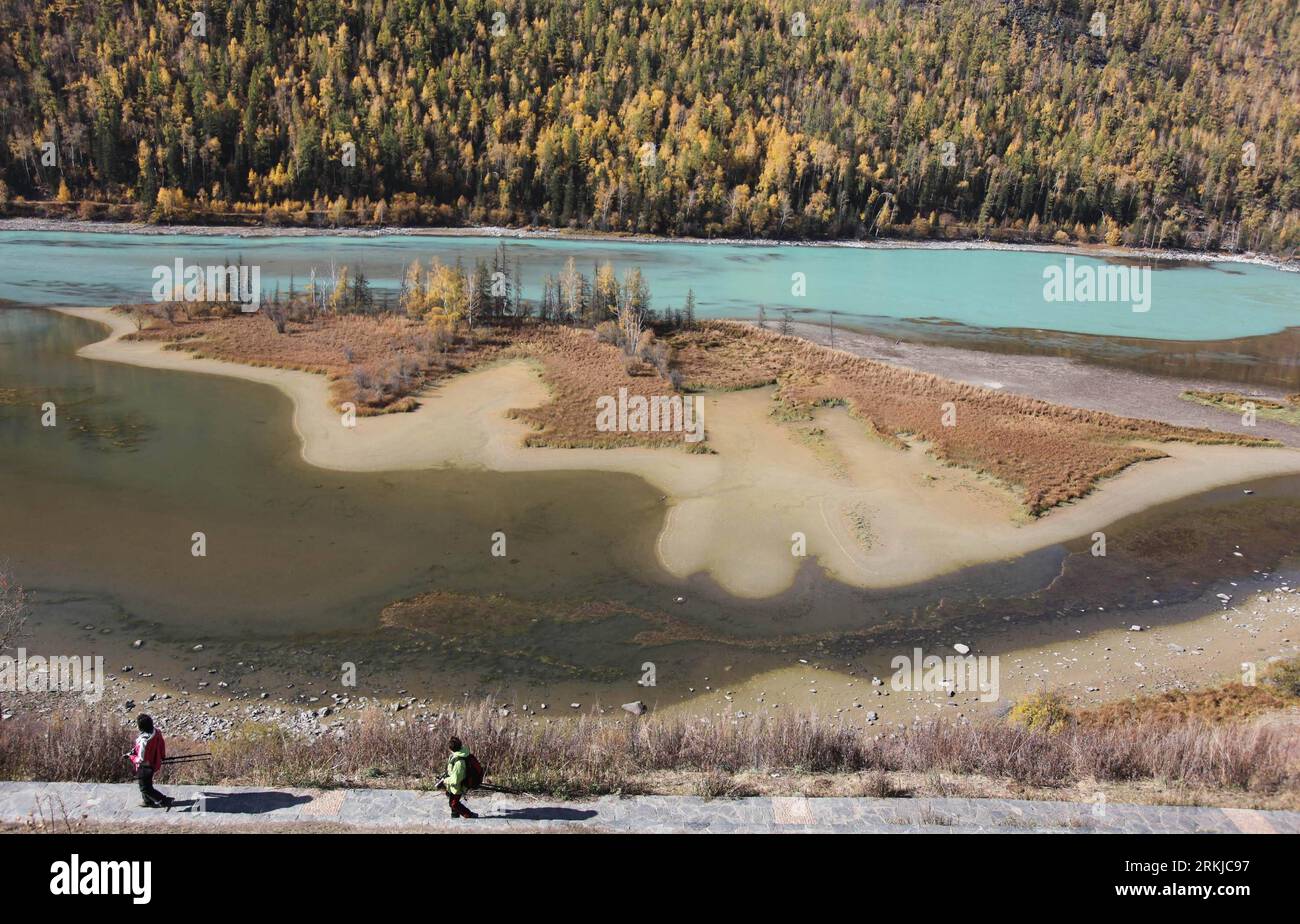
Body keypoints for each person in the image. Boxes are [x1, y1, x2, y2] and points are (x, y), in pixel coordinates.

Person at [127, 713, 172, 808]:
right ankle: (147, 801)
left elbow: (140, 759)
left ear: (141, 727)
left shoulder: (143, 741)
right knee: (144, 783)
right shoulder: (157, 732)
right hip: (154, 762)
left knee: (145, 788)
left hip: (145, 767)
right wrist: (162, 756)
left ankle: (163, 800)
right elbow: (161, 745)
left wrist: (130, 756)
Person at [437, 736, 479, 819]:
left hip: (458, 786)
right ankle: (455, 815)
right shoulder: (460, 753)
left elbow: (456, 779)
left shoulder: (459, 762)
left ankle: (469, 815)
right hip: (453, 785)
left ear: (451, 748)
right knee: (450, 795)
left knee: (453, 804)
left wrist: (445, 780)